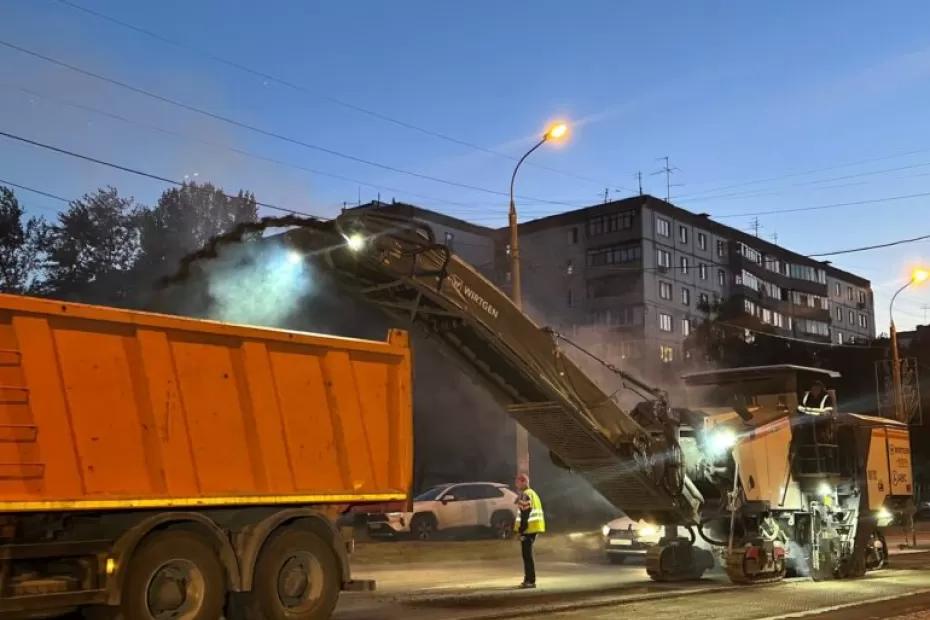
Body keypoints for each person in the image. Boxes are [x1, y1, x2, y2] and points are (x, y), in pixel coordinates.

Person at [514, 473, 545, 588]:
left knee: (527, 556)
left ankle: (530, 581)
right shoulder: (533, 494)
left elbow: (524, 514)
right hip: (533, 528)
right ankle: (528, 579)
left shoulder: (526, 495)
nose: (516, 484)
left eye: (517, 481)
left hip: (528, 530)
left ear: (523, 482)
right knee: (527, 555)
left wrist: (521, 531)